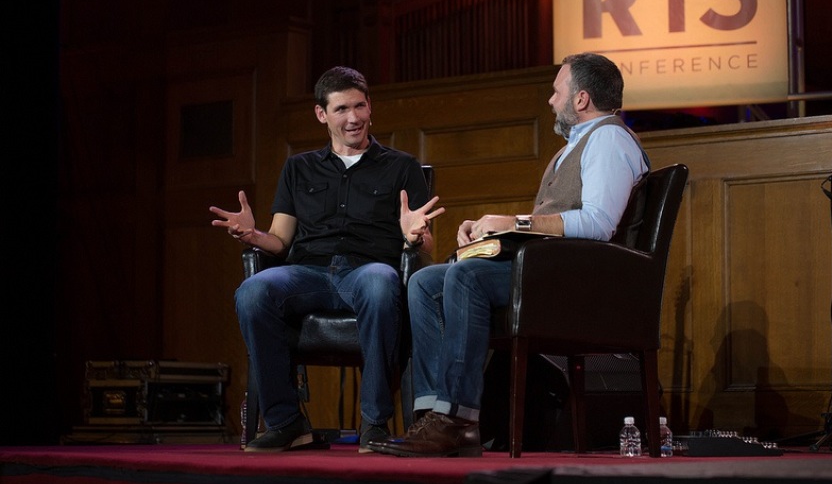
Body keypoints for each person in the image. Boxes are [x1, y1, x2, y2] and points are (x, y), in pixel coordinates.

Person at [367, 52, 651, 457]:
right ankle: (434, 416)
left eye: (557, 92)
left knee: (466, 277)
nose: (551, 101)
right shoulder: (576, 146)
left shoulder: (609, 139)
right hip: (549, 270)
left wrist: (512, 223)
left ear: (582, 99)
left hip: (580, 285)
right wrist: (491, 232)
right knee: (426, 281)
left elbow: (598, 224)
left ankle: (457, 421)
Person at [210, 66, 444, 453]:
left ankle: (374, 423)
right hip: (309, 273)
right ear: (322, 114)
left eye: (359, 106)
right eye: (341, 109)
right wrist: (253, 236)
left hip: (367, 270)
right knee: (253, 292)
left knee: (380, 283)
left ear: (370, 107)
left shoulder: (401, 166)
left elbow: (427, 247)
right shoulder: (298, 167)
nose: (353, 118)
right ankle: (286, 423)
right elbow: (280, 240)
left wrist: (414, 235)